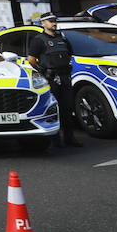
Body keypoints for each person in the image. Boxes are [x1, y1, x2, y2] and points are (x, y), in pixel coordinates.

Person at [27, 12, 83, 148]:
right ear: (43, 23)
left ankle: (69, 137)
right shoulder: (38, 40)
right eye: (50, 21)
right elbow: (31, 60)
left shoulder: (62, 38)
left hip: (65, 77)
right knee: (53, 108)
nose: (54, 23)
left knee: (67, 107)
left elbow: (69, 54)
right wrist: (44, 72)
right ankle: (55, 139)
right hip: (51, 78)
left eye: (54, 20)